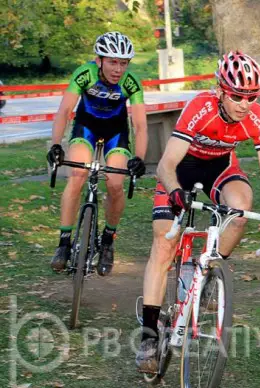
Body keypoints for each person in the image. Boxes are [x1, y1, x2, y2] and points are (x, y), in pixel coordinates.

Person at [135, 51, 260, 372]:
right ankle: (149, 334)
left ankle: (205, 274)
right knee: (163, 243)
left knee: (241, 209)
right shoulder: (200, 108)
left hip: (220, 168)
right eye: (237, 95)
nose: (244, 103)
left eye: (251, 96)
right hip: (182, 168)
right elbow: (166, 164)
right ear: (220, 90)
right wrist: (175, 192)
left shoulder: (257, 117)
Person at [46, 31, 147, 277]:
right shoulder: (85, 74)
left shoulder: (131, 82)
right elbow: (64, 111)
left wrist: (139, 158)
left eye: (123, 63)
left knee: (115, 183)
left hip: (116, 131)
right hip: (86, 127)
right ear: (99, 59)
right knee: (78, 174)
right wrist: (56, 144)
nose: (118, 69)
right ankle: (63, 243)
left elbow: (141, 125)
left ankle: (108, 240)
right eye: (113, 62)